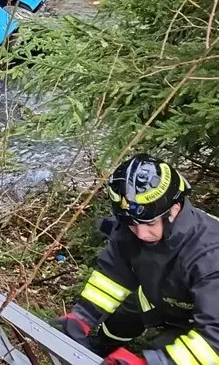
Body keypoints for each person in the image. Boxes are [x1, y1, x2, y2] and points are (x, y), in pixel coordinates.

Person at [51, 154, 219, 365]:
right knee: (122, 319)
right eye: (133, 224)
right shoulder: (132, 227)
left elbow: (214, 339)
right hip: (163, 294)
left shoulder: (211, 255)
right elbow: (111, 276)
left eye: (149, 225)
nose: (140, 234)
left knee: (159, 351)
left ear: (174, 209)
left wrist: (149, 362)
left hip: (203, 320)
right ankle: (98, 348)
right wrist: (82, 317)